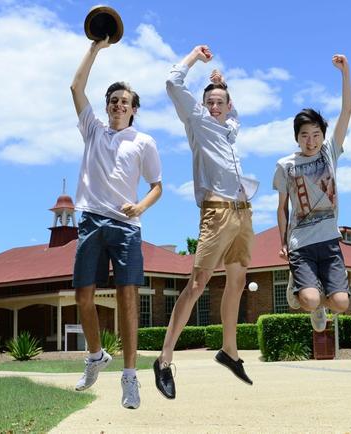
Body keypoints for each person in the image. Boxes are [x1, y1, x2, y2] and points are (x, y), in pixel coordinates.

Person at [153, 45, 259, 400]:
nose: (215, 106)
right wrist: (195, 58)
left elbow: (234, 111)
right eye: (210, 101)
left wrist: (223, 84)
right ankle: (164, 360)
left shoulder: (230, 127)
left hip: (243, 211)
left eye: (220, 102)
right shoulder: (196, 119)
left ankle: (229, 351)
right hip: (216, 212)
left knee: (238, 280)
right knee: (197, 285)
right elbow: (172, 82)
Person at [70, 37, 163, 410]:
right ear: (107, 107)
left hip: (127, 227)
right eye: (113, 101)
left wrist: (138, 205)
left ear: (134, 109)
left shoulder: (143, 141)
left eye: (125, 102)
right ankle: (95, 356)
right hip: (91, 221)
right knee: (83, 296)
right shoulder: (93, 130)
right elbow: (76, 87)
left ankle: (129, 378)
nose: (117, 105)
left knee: (128, 298)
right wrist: (95, 48)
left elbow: (158, 187)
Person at [273, 54, 351, 332]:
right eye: (305, 135)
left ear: (323, 135)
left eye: (316, 134)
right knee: (308, 298)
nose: (311, 140)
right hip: (301, 242)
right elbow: (283, 207)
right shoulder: (286, 165)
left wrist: (345, 72)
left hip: (330, 241)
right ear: (297, 137)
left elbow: (347, 112)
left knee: (341, 303)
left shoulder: (330, 152)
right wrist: (282, 241)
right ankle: (304, 292)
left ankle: (321, 303)